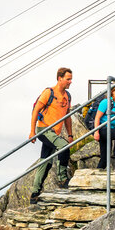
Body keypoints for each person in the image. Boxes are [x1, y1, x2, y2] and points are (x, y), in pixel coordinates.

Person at [29, 67, 74, 204]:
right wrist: (32, 132)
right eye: (68, 79)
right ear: (60, 78)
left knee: (46, 162)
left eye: (71, 79)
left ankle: (35, 193)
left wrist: (70, 134)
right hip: (44, 129)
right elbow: (36, 111)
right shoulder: (49, 93)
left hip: (55, 133)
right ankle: (62, 179)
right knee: (64, 147)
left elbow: (67, 117)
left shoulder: (67, 96)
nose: (70, 82)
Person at [94, 83, 115, 170]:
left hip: (110, 130)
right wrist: (96, 132)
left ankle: (97, 173)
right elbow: (97, 117)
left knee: (104, 158)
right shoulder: (106, 102)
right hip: (102, 129)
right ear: (113, 91)